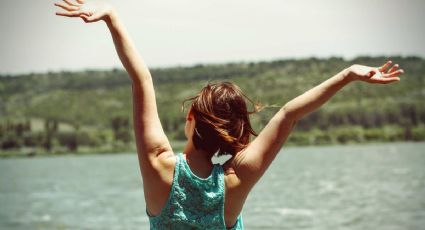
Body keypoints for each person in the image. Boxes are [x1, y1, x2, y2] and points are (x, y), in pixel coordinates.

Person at [54, 1, 404, 229]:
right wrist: (348, 75)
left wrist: (113, 20)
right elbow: (288, 113)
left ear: (191, 117)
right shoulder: (237, 180)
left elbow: (141, 78)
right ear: (236, 131)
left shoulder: (159, 166)